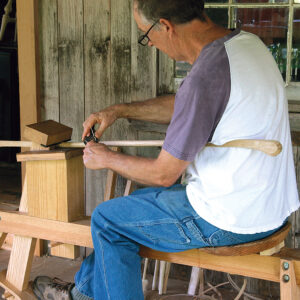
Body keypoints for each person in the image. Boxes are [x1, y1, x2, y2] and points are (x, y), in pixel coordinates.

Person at [32, 0, 300, 299]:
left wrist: (106, 158)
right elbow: (190, 104)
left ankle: (90, 294)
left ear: (166, 26)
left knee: (107, 221)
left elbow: (163, 175)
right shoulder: (246, 44)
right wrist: (118, 110)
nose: (150, 43)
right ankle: (85, 292)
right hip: (269, 209)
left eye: (146, 35)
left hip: (229, 220)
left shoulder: (206, 75)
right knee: (132, 205)